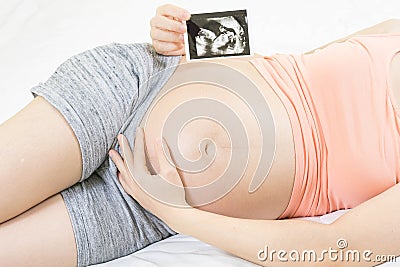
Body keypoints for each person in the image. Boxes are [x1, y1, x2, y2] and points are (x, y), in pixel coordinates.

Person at [0, 3, 399, 267]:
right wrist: (188, 38)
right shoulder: (393, 31)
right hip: (136, 85)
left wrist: (175, 213)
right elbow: (298, 62)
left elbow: (337, 250)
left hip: (140, 210)